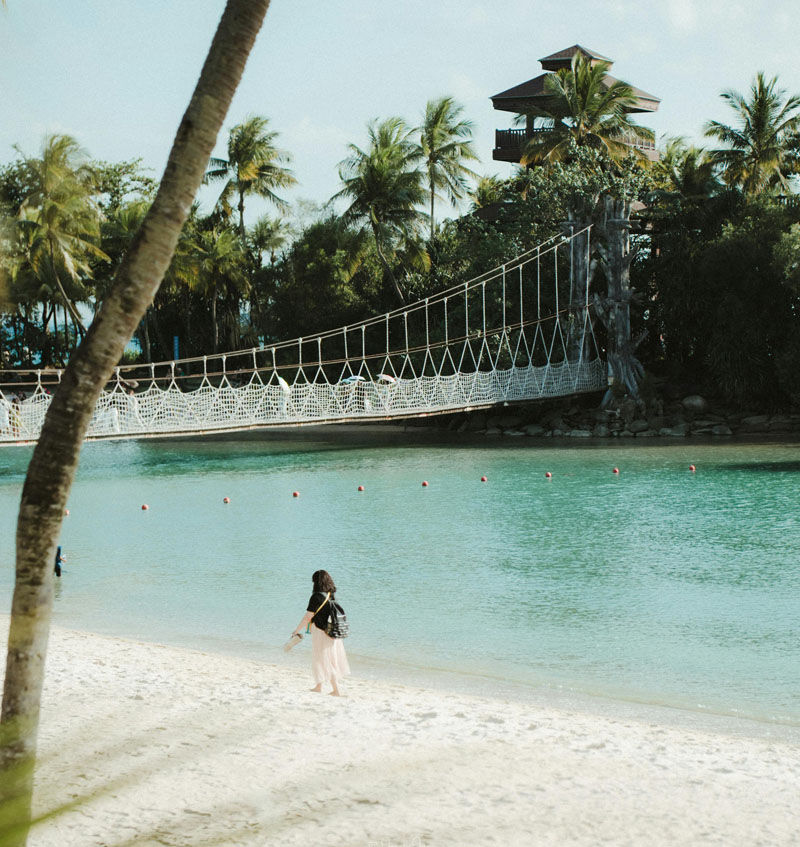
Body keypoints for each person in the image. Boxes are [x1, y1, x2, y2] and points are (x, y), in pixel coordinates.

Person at [291, 569, 350, 696]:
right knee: (327, 659)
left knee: (324, 659)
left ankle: (336, 690)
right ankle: (319, 685)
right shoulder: (331, 595)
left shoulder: (316, 596)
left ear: (316, 582)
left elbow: (308, 616)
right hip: (332, 632)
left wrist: (297, 630)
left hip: (320, 632)